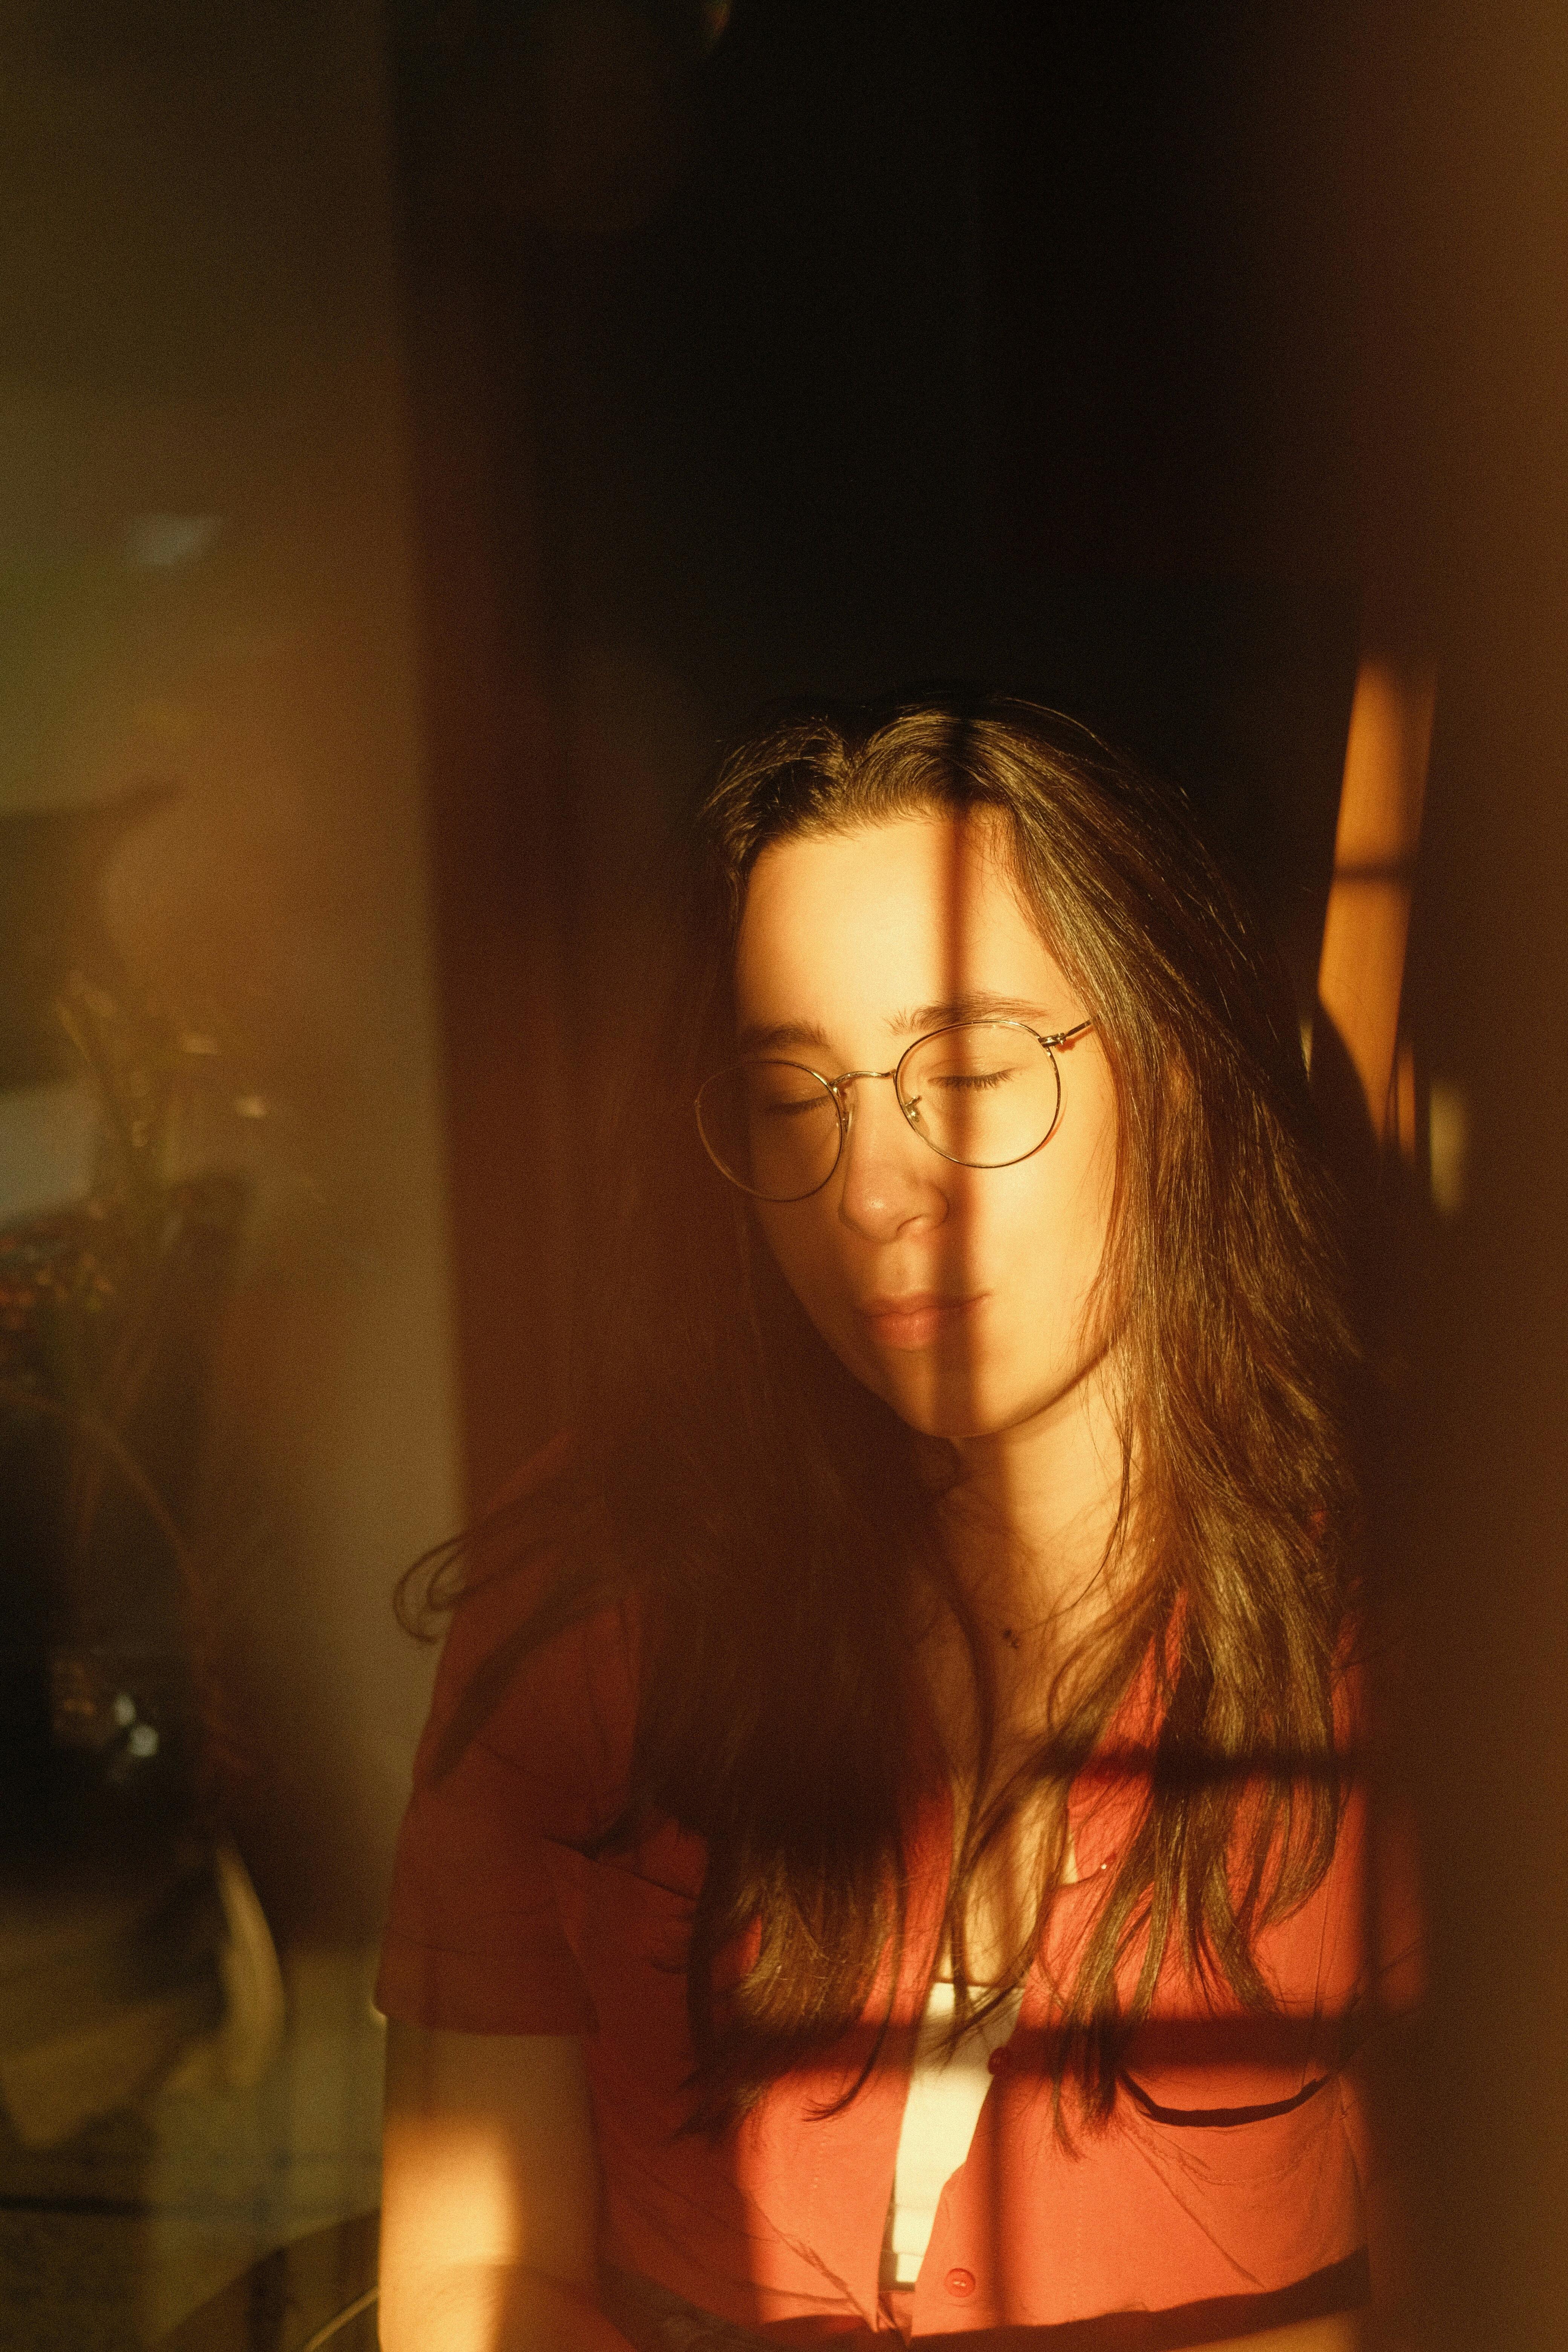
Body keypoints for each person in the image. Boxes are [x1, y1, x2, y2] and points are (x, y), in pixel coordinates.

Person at [377, 695, 1407, 2351]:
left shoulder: (1409, 1638)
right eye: (797, 1097)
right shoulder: (594, 1593)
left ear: (1179, 1074)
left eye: (971, 1071)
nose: (869, 1187)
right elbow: (471, 2272)